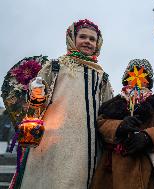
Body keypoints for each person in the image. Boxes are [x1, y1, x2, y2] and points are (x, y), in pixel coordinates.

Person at [12, 19, 113, 189]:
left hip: (87, 144)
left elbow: (107, 109)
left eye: (92, 39)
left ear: (98, 44)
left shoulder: (101, 75)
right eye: (83, 37)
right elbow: (36, 99)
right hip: (53, 141)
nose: (87, 42)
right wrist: (36, 92)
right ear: (72, 38)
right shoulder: (55, 66)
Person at [92, 59, 154, 189]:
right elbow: (101, 123)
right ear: (126, 78)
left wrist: (147, 137)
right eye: (132, 76)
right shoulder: (114, 103)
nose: (137, 80)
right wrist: (119, 126)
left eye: (143, 76)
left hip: (145, 163)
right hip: (113, 165)